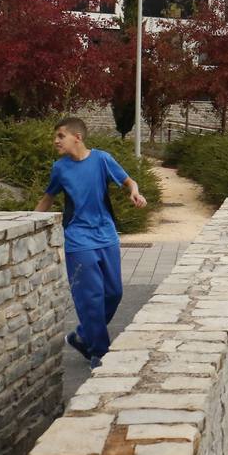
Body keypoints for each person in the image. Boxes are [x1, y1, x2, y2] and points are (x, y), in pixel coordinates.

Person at [34, 117, 147, 368]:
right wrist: (29, 223)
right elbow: (47, 199)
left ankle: (83, 336)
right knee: (91, 297)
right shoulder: (60, 168)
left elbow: (129, 181)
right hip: (78, 238)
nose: (55, 141)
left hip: (106, 235)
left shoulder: (102, 159)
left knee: (114, 293)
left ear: (78, 137)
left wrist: (134, 192)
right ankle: (99, 353)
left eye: (60, 136)